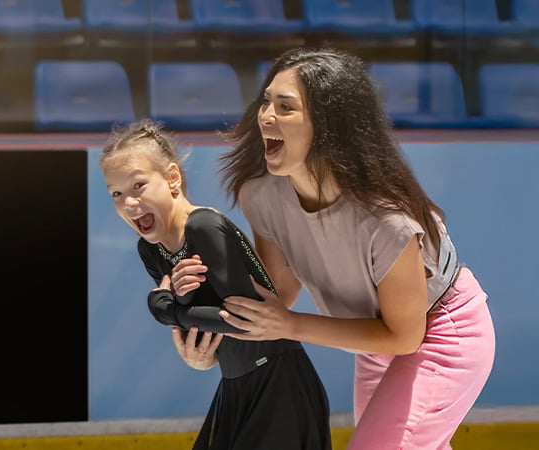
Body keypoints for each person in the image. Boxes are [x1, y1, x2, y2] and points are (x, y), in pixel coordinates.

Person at [171, 47, 496, 450]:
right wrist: (204, 329)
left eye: (286, 107)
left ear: (328, 126)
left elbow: (405, 337)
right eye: (267, 101)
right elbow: (276, 297)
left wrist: (291, 325)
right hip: (376, 338)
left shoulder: (387, 220)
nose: (266, 116)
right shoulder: (261, 195)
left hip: (441, 333)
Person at [99, 119, 332, 450]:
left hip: (279, 383)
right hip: (236, 385)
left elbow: (243, 321)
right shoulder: (150, 249)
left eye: (138, 186)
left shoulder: (204, 227)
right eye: (117, 193)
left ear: (172, 179)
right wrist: (180, 320)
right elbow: (196, 330)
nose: (128, 203)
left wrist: (165, 308)